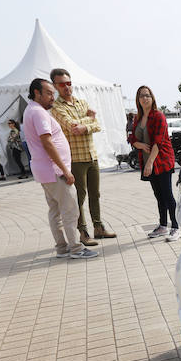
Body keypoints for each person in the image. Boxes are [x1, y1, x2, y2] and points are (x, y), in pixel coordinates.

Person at [23, 78, 97, 260]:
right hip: (54, 170)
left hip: (45, 170)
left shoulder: (31, 110)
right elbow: (47, 142)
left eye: (53, 93)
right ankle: (76, 248)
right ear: (36, 93)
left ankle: (62, 247)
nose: (52, 97)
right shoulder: (38, 113)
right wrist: (66, 170)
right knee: (70, 210)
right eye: (48, 93)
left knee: (55, 211)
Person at [49, 68, 116, 246]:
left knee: (95, 194)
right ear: (55, 86)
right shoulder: (57, 107)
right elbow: (72, 126)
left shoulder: (81, 102)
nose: (66, 87)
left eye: (69, 83)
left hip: (91, 155)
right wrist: (90, 120)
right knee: (79, 196)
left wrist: (86, 125)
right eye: (62, 84)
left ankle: (98, 227)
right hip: (75, 159)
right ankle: (83, 231)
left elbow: (97, 125)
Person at [128, 86, 180, 241]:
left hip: (161, 160)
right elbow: (132, 138)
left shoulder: (158, 116)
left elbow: (158, 142)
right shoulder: (137, 118)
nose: (145, 98)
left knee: (167, 195)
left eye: (148, 95)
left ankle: (176, 227)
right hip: (147, 160)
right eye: (142, 96)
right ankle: (163, 226)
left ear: (152, 98)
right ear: (138, 99)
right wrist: (139, 145)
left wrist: (149, 163)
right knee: (158, 195)